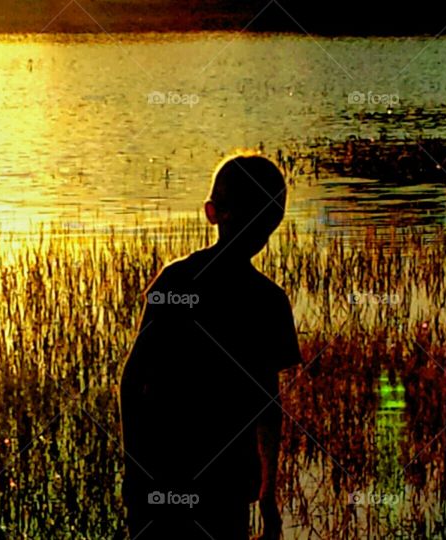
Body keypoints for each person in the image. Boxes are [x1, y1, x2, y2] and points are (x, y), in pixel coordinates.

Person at [120, 153, 303, 539]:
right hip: (212, 483)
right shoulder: (265, 299)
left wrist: (136, 474)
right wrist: (268, 495)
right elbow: (268, 407)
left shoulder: (179, 281)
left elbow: (132, 384)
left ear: (212, 212)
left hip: (189, 479)